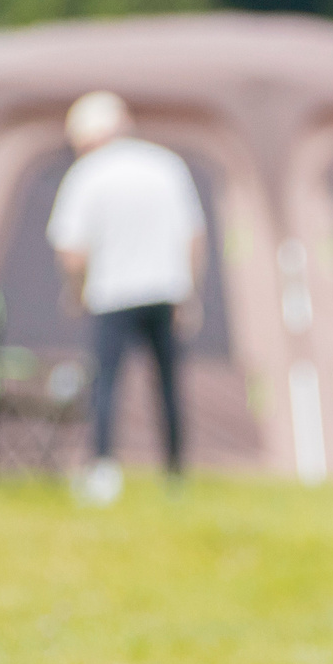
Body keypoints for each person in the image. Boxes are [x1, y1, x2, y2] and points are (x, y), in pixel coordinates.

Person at [47, 91, 204, 498]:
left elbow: (71, 249)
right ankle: (175, 474)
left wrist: (75, 290)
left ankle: (103, 472)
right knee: (168, 385)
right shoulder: (166, 164)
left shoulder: (87, 174)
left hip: (111, 294)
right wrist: (190, 292)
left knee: (106, 385)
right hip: (166, 290)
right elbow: (193, 235)